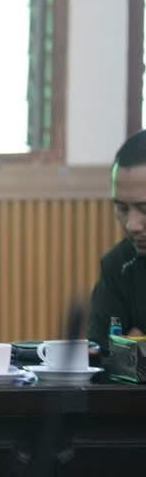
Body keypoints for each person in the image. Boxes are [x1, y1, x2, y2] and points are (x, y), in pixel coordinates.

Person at [88, 129, 146, 352]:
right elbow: (99, 355)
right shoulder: (118, 265)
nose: (132, 225)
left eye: (144, 209)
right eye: (122, 208)